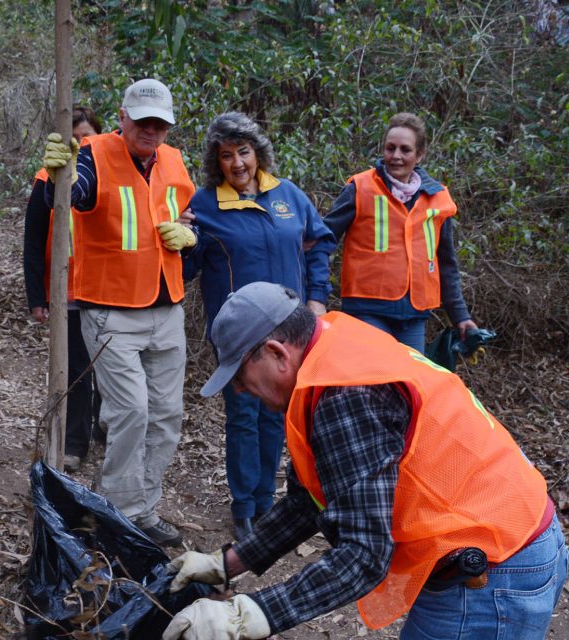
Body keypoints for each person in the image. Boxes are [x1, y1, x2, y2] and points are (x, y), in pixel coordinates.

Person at [164, 281, 569, 640]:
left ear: (277, 352)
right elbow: (312, 499)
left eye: (241, 375)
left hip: (492, 573)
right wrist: (227, 564)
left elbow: (364, 555)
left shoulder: (344, 395)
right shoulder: (335, 344)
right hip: (529, 536)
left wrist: (248, 614)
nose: (241, 390)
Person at [41, 79, 195, 547]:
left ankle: (143, 508)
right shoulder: (91, 154)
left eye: (160, 124)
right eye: (143, 121)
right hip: (111, 310)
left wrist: (191, 234)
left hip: (166, 305)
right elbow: (73, 197)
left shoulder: (171, 159)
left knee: (167, 414)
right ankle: (120, 513)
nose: (151, 131)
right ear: (123, 117)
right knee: (131, 411)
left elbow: (186, 210)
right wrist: (59, 174)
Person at [184, 111, 335, 541]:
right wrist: (178, 240)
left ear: (258, 153)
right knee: (243, 415)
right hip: (239, 331)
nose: (237, 164)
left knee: (281, 414)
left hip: (292, 328)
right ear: (217, 161)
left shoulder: (287, 195)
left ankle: (269, 503)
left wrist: (317, 299)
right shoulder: (205, 204)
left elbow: (318, 242)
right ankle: (244, 506)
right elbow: (186, 266)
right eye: (227, 155)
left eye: (244, 152)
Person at [325, 113, 480, 351]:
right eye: (390, 148)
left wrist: (459, 316)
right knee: (373, 381)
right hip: (366, 311)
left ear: (420, 155)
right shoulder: (360, 187)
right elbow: (323, 240)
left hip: (414, 315)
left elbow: (446, 264)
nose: (396, 156)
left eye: (405, 150)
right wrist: (315, 295)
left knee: (408, 385)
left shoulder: (437, 198)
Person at [24, 106, 102, 472]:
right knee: (76, 370)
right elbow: (34, 240)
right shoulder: (46, 177)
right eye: (75, 138)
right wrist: (37, 297)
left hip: (107, 291)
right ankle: (74, 442)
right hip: (68, 292)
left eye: (88, 136)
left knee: (108, 367)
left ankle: (103, 428)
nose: (82, 144)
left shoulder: (111, 174)